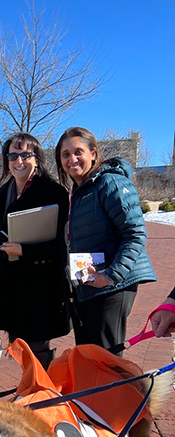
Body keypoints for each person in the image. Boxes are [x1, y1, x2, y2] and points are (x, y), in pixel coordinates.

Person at [55, 126, 156, 351]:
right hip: (87, 284)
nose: (72, 159)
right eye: (65, 154)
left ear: (93, 154)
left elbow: (135, 234)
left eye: (78, 151)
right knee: (90, 358)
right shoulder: (79, 191)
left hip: (111, 287)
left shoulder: (110, 183)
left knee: (107, 361)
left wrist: (111, 275)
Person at [0, 133, 70, 369]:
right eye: (13, 156)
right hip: (10, 282)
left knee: (37, 348)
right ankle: (29, 392)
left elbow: (60, 245)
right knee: (18, 344)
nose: (19, 161)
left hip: (40, 285)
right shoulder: (3, 193)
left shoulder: (53, 192)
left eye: (26, 155)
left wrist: (25, 250)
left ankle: (43, 397)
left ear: (37, 158)